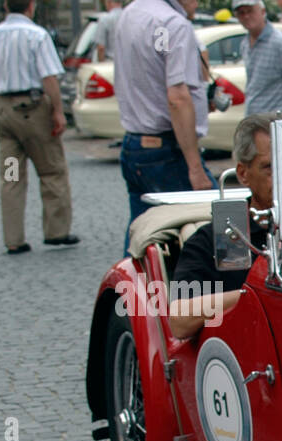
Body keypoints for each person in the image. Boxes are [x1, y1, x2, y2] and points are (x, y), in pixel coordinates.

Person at [168, 113, 282, 340]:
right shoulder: (214, 239)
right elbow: (179, 320)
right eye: (270, 167)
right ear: (243, 174)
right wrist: (255, 293)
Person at [0, 0, 78, 254]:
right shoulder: (37, 36)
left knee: (11, 177)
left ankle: (13, 239)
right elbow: (48, 77)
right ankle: (56, 232)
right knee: (51, 171)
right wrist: (56, 111)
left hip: (6, 117)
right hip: (33, 114)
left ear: (7, 7)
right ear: (31, 6)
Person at [115, 0, 216, 254]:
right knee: (218, 223)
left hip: (135, 143)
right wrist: (195, 167)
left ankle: (128, 291)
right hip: (166, 149)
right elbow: (177, 98)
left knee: (142, 234)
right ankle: (210, 293)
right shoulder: (174, 24)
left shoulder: (130, 13)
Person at [233, 0, 282, 115]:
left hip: (274, 119)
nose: (246, 16)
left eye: (250, 11)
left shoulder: (280, 43)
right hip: (253, 117)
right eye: (241, 13)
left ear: (263, 12)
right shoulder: (245, 43)